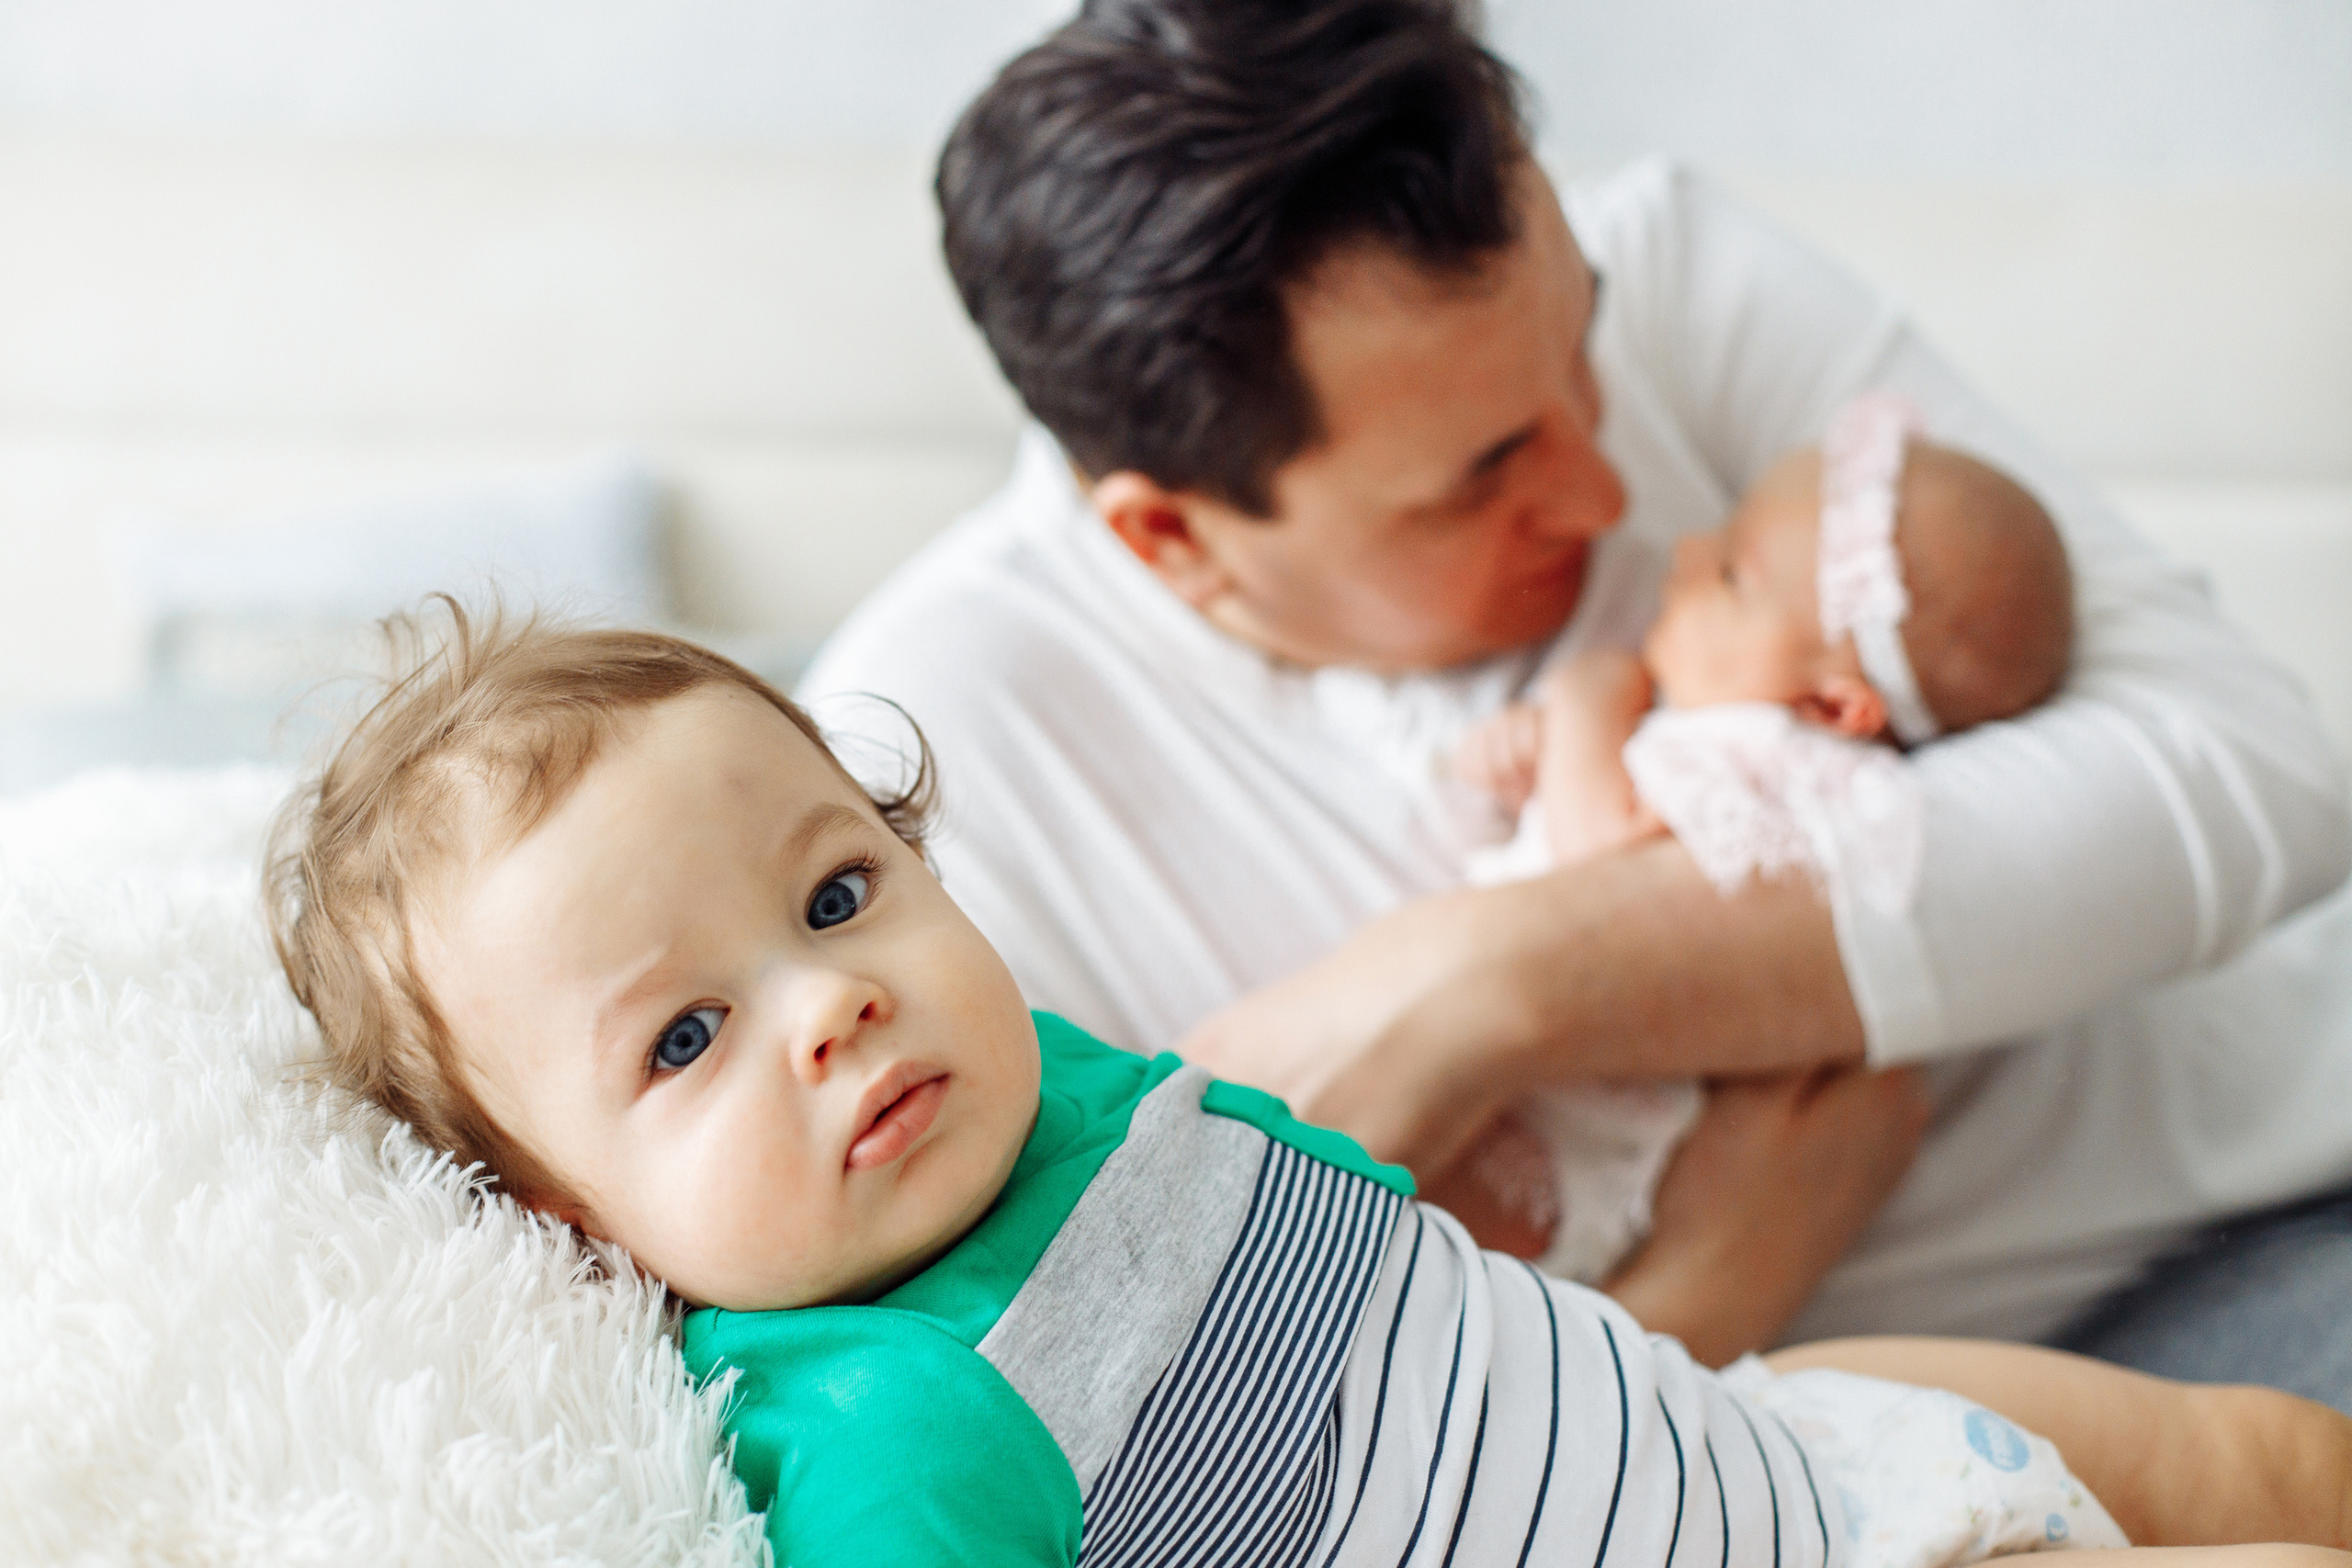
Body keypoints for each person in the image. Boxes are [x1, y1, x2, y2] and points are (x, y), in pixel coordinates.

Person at [797, 0, 2352, 1396]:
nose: (1609, 486)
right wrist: (1714, 1293)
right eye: (1482, 474)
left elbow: (2255, 770)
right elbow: (1121, 1407)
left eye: (1584, 344)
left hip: (2238, 1218)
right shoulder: (919, 774)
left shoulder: (1672, 259)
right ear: (1171, 537)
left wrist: (1490, 983)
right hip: (1737, 1463)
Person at [263, 610, 2352, 1568]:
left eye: (836, 887)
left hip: (1752, 1440)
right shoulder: (894, 1423)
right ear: (559, 1216)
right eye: (685, 1038)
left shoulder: (1045, 1082)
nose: (828, 1005)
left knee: (2252, 1450)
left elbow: (1352, 1233)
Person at [1442, 394, 2073, 1282]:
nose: (1689, 554)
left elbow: (1593, 888)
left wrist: (1586, 703)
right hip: (1546, 1095)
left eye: (1733, 575)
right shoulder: (1722, 748)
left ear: (1832, 707)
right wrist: (1518, 766)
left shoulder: (1774, 764)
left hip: (1574, 1138)